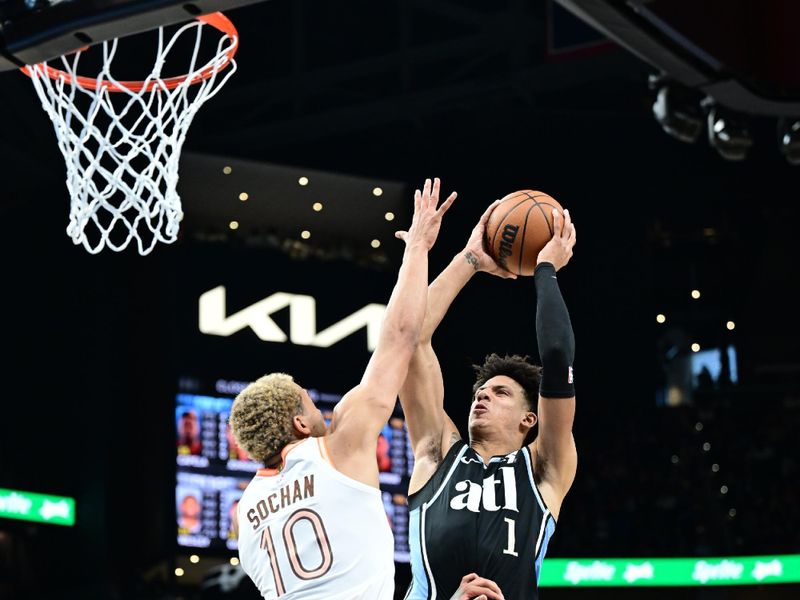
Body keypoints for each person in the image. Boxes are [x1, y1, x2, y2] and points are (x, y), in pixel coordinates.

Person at [230, 179, 469, 600]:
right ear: (299, 422)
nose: (322, 407)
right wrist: (417, 248)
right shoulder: (337, 448)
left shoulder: (245, 513)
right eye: (307, 398)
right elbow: (400, 335)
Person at [400, 200, 578, 600]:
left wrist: (546, 269)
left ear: (530, 419)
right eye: (481, 391)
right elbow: (410, 341)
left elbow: (556, 357)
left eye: (500, 393)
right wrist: (470, 260)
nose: (482, 395)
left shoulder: (544, 467)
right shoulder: (437, 453)